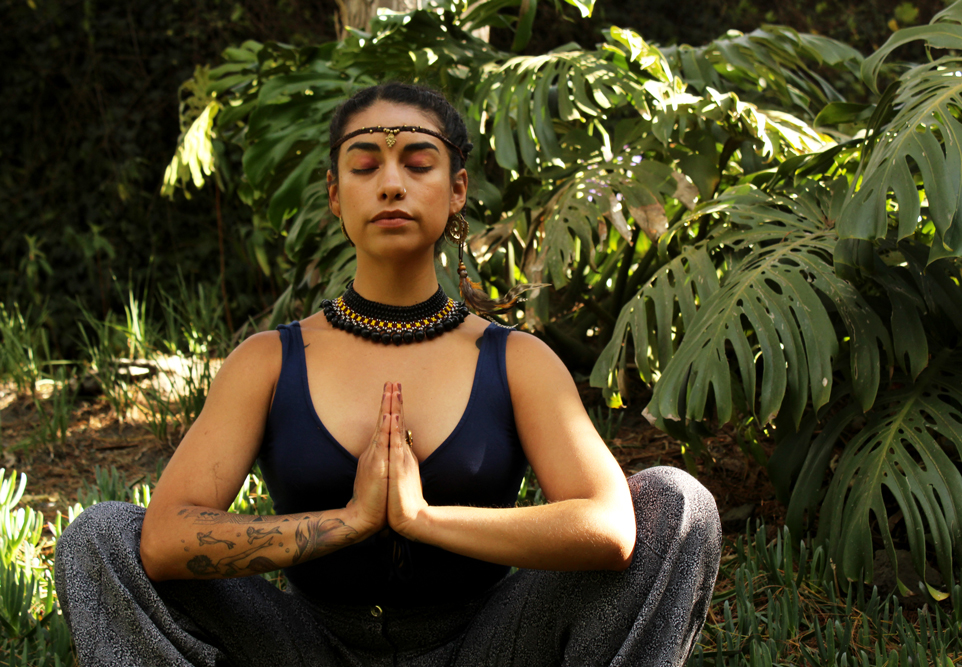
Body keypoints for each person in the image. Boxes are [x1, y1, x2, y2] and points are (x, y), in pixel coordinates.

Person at [54, 82, 721, 667]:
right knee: (100, 538)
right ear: (335, 194)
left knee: (678, 504)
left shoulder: (517, 360)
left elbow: (610, 526)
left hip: (485, 645)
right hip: (304, 646)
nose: (392, 183)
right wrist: (349, 520)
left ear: (457, 188)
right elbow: (167, 537)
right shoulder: (268, 360)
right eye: (365, 165)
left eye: (419, 162)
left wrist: (423, 517)